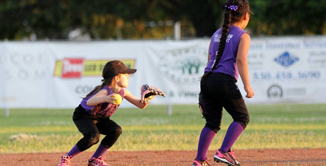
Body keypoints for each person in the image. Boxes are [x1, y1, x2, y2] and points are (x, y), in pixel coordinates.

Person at [192, 0, 254, 166]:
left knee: (212, 123)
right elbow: (241, 59)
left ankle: (199, 160)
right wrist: (247, 85)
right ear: (246, 16)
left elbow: (209, 59)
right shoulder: (243, 35)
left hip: (207, 79)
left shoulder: (217, 33)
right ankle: (224, 151)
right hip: (223, 80)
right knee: (242, 117)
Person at [58, 60, 152, 166]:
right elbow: (90, 101)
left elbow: (141, 105)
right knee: (93, 137)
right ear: (116, 78)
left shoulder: (123, 92)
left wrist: (146, 98)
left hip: (99, 118)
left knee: (116, 130)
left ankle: (95, 160)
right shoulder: (106, 91)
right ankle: (66, 158)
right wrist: (105, 98)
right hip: (83, 116)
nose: (128, 77)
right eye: (125, 75)